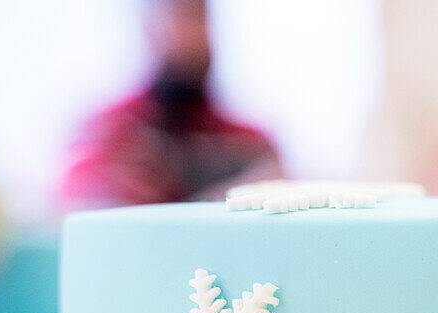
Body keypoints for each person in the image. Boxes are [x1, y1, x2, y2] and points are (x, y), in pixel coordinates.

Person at [59, 0, 282, 210]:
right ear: (149, 27)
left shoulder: (248, 141)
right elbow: (87, 217)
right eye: (179, 15)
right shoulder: (109, 133)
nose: (195, 36)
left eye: (200, 16)